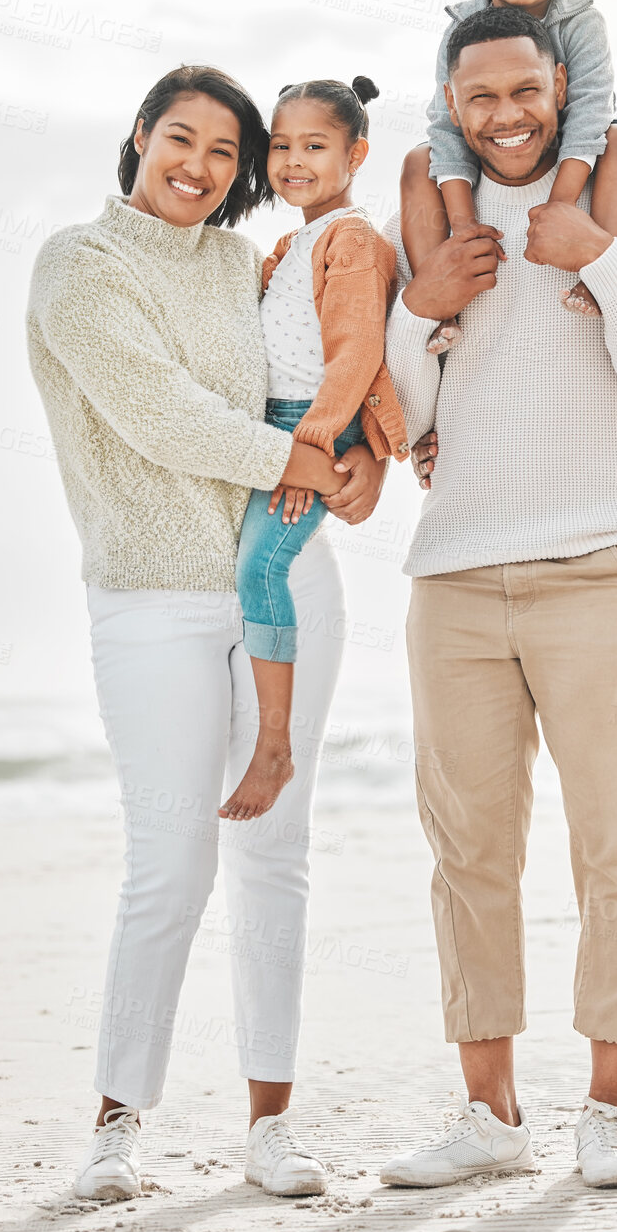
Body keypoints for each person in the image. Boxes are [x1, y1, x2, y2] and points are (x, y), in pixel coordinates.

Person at [27, 66, 383, 1204]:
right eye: (180, 138)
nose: (200, 165)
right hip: (151, 600)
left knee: (274, 858)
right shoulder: (77, 266)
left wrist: (363, 453)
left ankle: (270, 1125)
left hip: (286, 585)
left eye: (225, 152)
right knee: (168, 862)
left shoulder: (251, 263)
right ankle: (117, 1127)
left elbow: (308, 373)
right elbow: (157, 411)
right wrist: (303, 463)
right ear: (138, 137)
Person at [379, 5, 617, 1190]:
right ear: (452, 105)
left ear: (558, 86)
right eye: (480, 98)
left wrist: (602, 262)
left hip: (605, 567)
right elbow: (404, 422)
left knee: (615, 847)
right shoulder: (427, 216)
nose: (506, 116)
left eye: (526, 90)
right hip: (456, 577)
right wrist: (421, 308)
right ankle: (489, 1115)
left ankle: (608, 1112)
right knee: (467, 852)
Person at [221, 76, 406, 821]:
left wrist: (316, 437)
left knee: (259, 565)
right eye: (283, 146)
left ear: (355, 153)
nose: (294, 160)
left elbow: (357, 350)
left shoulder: (352, 239)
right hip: (279, 423)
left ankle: (274, 746)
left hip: (313, 420)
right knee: (249, 563)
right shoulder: (292, 242)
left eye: (316, 146)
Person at [399, 0, 617, 315]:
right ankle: (440, 299)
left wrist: (559, 209)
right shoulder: (461, 27)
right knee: (419, 160)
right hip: (489, 141)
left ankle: (600, 275)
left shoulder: (582, 20)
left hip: (566, 141)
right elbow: (446, 122)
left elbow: (591, 108)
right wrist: (463, 224)